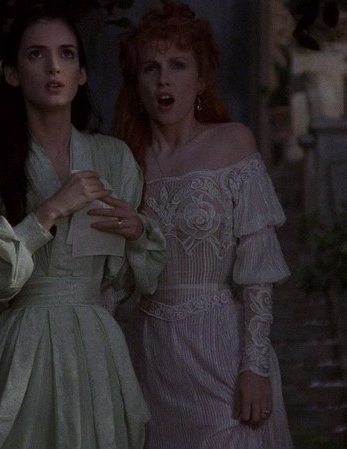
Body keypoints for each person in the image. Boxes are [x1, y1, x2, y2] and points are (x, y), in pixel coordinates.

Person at [0, 5, 166, 449]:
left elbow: (125, 280)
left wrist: (137, 232)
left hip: (95, 347)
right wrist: (49, 211)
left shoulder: (114, 158)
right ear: (12, 74)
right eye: (36, 55)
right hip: (23, 347)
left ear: (82, 73)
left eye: (66, 54)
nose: (53, 67)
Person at [113, 1, 294, 448]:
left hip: (220, 350)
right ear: (138, 84)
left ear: (200, 80)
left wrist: (254, 367)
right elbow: (115, 276)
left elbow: (258, 270)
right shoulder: (125, 162)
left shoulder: (233, 142)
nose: (164, 79)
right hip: (152, 356)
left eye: (178, 65)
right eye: (151, 68)